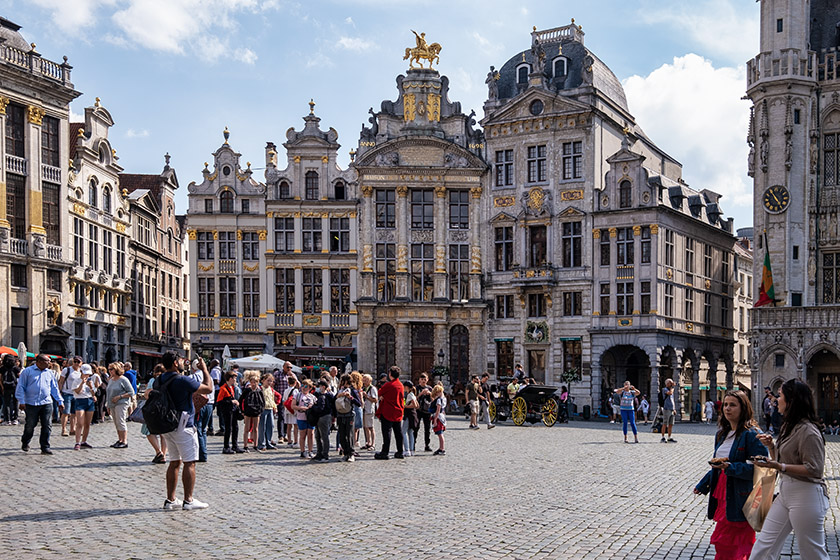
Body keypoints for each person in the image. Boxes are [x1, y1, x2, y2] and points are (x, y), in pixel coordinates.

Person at [751, 379, 830, 560]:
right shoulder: (789, 426)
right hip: (786, 492)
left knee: (812, 554)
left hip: (806, 494)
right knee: (762, 549)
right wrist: (771, 446)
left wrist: (780, 466)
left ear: (791, 401)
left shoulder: (809, 431)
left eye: (780, 396)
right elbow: (782, 459)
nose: (776, 399)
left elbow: (815, 469)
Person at [694, 390, 767, 560]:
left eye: (732, 405)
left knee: (738, 545)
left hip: (741, 496)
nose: (727, 408)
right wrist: (704, 484)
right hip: (723, 492)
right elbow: (717, 465)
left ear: (743, 408)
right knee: (724, 544)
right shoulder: (721, 434)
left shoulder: (752, 434)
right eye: (725, 405)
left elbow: (760, 469)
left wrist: (731, 467)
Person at [159, 352, 213, 510]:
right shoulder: (182, 379)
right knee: (189, 462)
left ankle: (170, 499)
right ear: (176, 363)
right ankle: (188, 500)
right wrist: (204, 370)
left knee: (174, 462)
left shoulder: (159, 379)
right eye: (182, 360)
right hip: (184, 425)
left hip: (167, 425)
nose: (184, 363)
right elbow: (208, 388)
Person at [15, 354, 65, 454]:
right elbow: (21, 386)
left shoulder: (50, 373)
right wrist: (22, 401)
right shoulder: (27, 371)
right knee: (30, 425)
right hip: (31, 403)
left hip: (46, 402)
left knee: (47, 425)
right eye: (47, 361)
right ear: (39, 362)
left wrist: (60, 401)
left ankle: (45, 446)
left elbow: (54, 388)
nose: (49, 363)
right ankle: (25, 441)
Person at [375, 365, 405, 460]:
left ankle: (385, 452)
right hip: (398, 411)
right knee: (398, 433)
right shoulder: (400, 385)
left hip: (388, 411)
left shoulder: (389, 385)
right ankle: (400, 451)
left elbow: (379, 392)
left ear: (390, 374)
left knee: (387, 433)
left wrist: (383, 396)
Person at [141, 364, 168, 463]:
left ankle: (158, 452)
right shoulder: (168, 381)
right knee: (164, 433)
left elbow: (147, 394)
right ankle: (164, 455)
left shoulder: (153, 381)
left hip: (153, 409)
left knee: (148, 431)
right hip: (165, 409)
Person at [70, 363, 99, 450]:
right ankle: (77, 442)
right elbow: (77, 392)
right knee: (80, 423)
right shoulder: (76, 380)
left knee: (87, 424)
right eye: (85, 373)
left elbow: (93, 393)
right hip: (80, 401)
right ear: (81, 372)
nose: (87, 375)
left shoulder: (91, 381)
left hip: (89, 401)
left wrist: (90, 387)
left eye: (88, 373)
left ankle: (84, 441)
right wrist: (82, 383)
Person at [106, 362, 134, 448]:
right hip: (112, 404)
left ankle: (124, 441)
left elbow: (131, 392)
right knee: (116, 422)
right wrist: (108, 405)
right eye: (109, 369)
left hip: (122, 403)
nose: (110, 371)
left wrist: (120, 396)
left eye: (112, 369)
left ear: (117, 370)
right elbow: (108, 393)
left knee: (121, 421)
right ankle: (120, 439)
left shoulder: (123, 379)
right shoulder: (111, 380)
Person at [335, 374, 362, 462]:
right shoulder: (340, 390)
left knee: (349, 435)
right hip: (340, 415)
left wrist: (350, 397)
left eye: (343, 381)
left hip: (349, 415)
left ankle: (351, 453)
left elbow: (358, 403)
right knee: (342, 435)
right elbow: (333, 400)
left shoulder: (353, 390)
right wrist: (338, 396)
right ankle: (345, 453)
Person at [192, 360, 214, 463]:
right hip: (210, 404)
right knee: (204, 429)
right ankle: (204, 453)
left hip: (200, 404)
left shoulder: (194, 376)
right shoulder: (208, 376)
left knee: (198, 429)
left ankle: (201, 455)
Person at [217, 372, 242, 454]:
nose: (235, 380)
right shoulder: (223, 388)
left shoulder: (232, 387)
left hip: (233, 410)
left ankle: (235, 445)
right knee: (228, 429)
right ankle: (226, 446)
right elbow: (220, 402)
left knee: (236, 427)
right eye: (234, 378)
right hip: (227, 411)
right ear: (230, 378)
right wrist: (232, 401)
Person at [240, 370, 264, 453]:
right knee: (246, 428)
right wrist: (242, 410)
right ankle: (245, 446)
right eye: (252, 382)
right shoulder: (247, 390)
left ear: (258, 382)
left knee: (256, 429)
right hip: (248, 411)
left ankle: (255, 445)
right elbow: (241, 400)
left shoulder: (259, 391)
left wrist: (261, 410)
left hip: (256, 411)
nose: (254, 384)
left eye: (255, 382)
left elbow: (262, 402)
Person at [310, 378, 333, 462]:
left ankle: (325, 454)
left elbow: (331, 406)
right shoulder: (317, 394)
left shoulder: (329, 395)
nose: (318, 387)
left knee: (324, 436)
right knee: (317, 435)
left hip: (325, 416)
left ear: (323, 387)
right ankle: (319, 453)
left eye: (319, 386)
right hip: (318, 416)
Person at [58, 356, 81, 436]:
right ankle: (64, 429)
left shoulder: (80, 372)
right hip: (66, 393)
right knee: (66, 412)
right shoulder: (66, 370)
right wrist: (59, 392)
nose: (76, 363)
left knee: (74, 413)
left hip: (76, 394)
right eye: (75, 362)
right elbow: (61, 382)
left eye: (78, 362)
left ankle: (72, 429)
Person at [293, 379, 316, 458]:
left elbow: (316, 406)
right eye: (302, 385)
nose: (304, 387)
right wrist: (300, 407)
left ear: (310, 388)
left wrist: (311, 407)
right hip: (301, 417)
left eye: (306, 386)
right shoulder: (297, 395)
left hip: (311, 418)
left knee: (311, 434)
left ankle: (310, 451)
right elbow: (293, 406)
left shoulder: (313, 397)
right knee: (302, 435)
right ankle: (302, 451)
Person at [257, 373, 278, 451]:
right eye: (268, 380)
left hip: (270, 409)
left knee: (271, 426)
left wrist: (274, 407)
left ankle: (268, 442)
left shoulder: (271, 389)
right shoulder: (260, 389)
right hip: (263, 409)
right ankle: (261, 444)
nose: (270, 382)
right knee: (262, 427)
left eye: (271, 381)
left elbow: (272, 399)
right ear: (263, 380)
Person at [414, 372, 432, 452]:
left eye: (425, 379)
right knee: (416, 427)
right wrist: (421, 394)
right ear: (419, 380)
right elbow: (413, 399)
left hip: (427, 411)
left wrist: (430, 394)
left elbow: (434, 399)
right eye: (422, 379)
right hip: (418, 410)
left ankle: (427, 445)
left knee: (427, 428)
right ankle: (413, 444)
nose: (423, 381)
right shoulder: (416, 388)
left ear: (427, 380)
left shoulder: (430, 388)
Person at [1, 353, 20, 425]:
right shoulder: (16, 368)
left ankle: (7, 419)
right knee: (16, 403)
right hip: (15, 387)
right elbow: (20, 377)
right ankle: (15, 419)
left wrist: (2, 387)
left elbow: (0, 378)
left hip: (6, 387)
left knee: (7, 403)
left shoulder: (2, 368)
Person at [402, 380, 419, 456]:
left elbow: (415, 405)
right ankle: (411, 449)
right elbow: (417, 405)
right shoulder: (413, 394)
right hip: (413, 415)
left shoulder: (410, 395)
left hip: (409, 414)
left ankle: (406, 449)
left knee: (403, 432)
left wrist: (405, 406)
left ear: (406, 387)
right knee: (410, 432)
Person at [361, 373, 378, 450]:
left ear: (370, 381)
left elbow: (375, 400)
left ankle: (373, 444)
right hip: (364, 409)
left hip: (369, 410)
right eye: (363, 380)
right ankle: (368, 442)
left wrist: (366, 396)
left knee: (370, 427)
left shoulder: (372, 389)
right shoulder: (363, 388)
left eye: (366, 380)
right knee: (365, 427)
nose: (364, 381)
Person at [430, 383, 447, 455]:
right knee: (440, 434)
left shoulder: (439, 400)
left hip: (439, 417)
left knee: (440, 433)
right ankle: (441, 448)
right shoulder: (444, 398)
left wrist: (435, 420)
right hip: (442, 416)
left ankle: (442, 448)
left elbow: (438, 410)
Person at [282, 376, 299, 447]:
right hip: (294, 410)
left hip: (287, 409)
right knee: (295, 426)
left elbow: (284, 400)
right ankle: (295, 441)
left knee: (289, 426)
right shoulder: (296, 391)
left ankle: (289, 441)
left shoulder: (286, 390)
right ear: (295, 383)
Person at [209, 359, 223, 436]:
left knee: (211, 409)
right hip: (218, 391)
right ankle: (222, 427)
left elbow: (217, 381)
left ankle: (211, 428)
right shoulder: (220, 370)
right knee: (220, 410)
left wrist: (209, 382)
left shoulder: (214, 370)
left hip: (216, 391)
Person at [660, 378, 677, 443]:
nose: (672, 383)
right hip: (666, 409)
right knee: (665, 423)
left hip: (672, 409)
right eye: (671, 382)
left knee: (671, 424)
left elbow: (672, 400)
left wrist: (674, 409)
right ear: (667, 383)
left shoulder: (671, 389)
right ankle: (663, 437)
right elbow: (670, 393)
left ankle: (669, 437)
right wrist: (672, 387)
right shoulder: (664, 389)